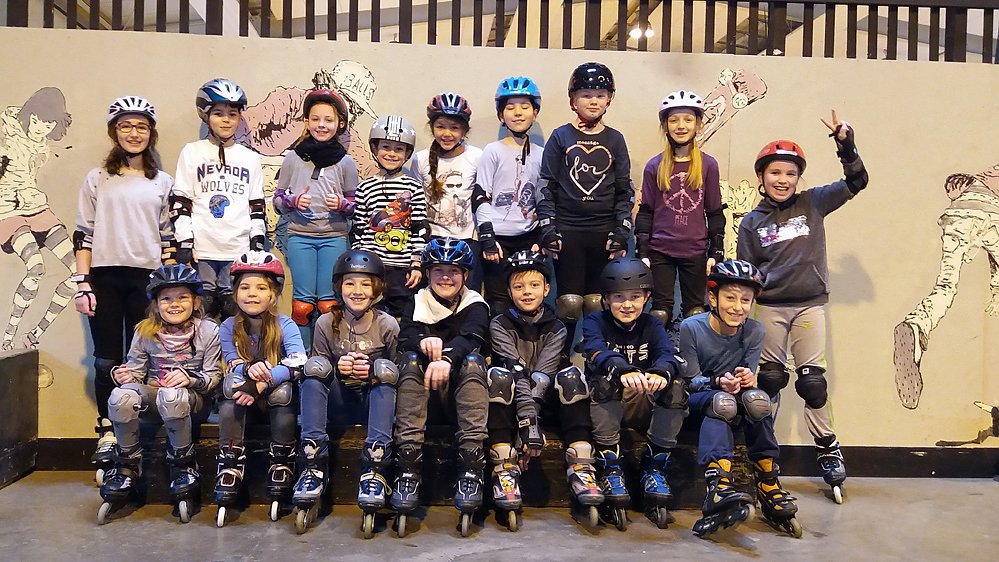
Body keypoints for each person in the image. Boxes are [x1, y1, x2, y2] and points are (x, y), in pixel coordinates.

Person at [736, 111, 869, 503]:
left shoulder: (814, 202)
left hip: (809, 305)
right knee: (770, 380)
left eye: (790, 174)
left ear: (799, 179)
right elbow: (746, 276)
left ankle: (827, 448)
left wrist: (845, 145)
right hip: (770, 307)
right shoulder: (751, 222)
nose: (783, 180)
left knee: (812, 382)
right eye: (775, 172)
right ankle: (764, 454)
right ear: (761, 177)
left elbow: (857, 181)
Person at [73, 96, 174, 484]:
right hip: (105, 277)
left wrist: (168, 287)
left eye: (141, 127)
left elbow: (168, 238)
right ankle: (107, 430)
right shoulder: (98, 178)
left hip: (146, 280)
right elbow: (83, 234)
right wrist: (83, 283)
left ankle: (138, 431)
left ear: (151, 133)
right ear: (114, 132)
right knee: (106, 360)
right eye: (126, 126)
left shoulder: (162, 182)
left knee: (144, 360)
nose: (134, 133)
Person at [681, 260, 799, 538]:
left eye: (745, 300)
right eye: (730, 298)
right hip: (699, 401)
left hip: (733, 398)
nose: (737, 307)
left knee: (759, 400)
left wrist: (746, 378)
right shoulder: (691, 327)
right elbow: (689, 382)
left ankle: (768, 482)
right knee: (722, 402)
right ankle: (718, 488)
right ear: (713, 298)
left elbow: (749, 376)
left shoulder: (755, 331)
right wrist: (717, 382)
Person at [96, 265, 221, 525]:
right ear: (156, 304)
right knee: (121, 396)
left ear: (196, 301)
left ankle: (183, 465)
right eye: (166, 299)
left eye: (182, 297)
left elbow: (213, 378)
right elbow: (136, 371)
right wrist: (124, 375)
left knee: (172, 396)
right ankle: (127, 465)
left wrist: (190, 379)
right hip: (156, 397)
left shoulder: (208, 331)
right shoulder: (145, 330)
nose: (174, 304)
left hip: (192, 400)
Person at [485, 250, 599, 531]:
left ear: (547, 289)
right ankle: (504, 466)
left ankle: (581, 465)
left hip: (543, 401)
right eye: (519, 286)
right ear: (509, 291)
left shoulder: (557, 327)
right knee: (499, 377)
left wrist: (532, 425)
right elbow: (517, 372)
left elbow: (542, 377)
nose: (527, 292)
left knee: (572, 377)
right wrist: (527, 423)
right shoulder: (499, 324)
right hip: (512, 402)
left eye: (534, 285)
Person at [293, 250, 400, 536]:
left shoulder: (387, 324)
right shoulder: (326, 322)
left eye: (365, 284)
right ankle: (313, 462)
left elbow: (398, 374)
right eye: (350, 283)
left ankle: (375, 465)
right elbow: (317, 374)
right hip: (338, 402)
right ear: (339, 287)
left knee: (386, 370)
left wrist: (372, 370)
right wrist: (337, 369)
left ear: (376, 289)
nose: (357, 291)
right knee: (315, 366)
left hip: (372, 404)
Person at [391, 237, 490, 537]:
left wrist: (446, 358)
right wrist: (422, 341)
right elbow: (405, 336)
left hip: (461, 399)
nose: (446, 277)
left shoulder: (476, 304)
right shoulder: (417, 301)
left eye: (454, 271)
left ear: (465, 275)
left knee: (473, 361)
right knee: (410, 360)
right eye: (438, 270)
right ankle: (408, 469)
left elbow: (473, 336)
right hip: (421, 398)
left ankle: (471, 469)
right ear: (428, 273)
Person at [536, 62, 635, 361]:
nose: (593, 101)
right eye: (586, 95)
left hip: (603, 232)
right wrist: (547, 227)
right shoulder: (560, 137)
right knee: (568, 302)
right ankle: (560, 361)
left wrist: (622, 229)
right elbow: (546, 185)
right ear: (573, 100)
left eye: (600, 95)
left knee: (596, 303)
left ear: (609, 99)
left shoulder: (615, 139)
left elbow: (624, 189)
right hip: (568, 230)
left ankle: (597, 360)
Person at [580, 257, 685, 530]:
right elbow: (595, 350)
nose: (627, 305)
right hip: (606, 407)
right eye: (619, 297)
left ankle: (655, 468)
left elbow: (668, 355)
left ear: (647, 297)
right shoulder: (595, 321)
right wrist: (620, 369)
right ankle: (610, 467)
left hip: (642, 403)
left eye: (635, 297)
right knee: (605, 382)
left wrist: (661, 372)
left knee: (675, 387)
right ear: (606, 299)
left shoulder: (652, 325)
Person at [214, 251, 307, 527]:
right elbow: (232, 363)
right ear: (234, 293)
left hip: (274, 401)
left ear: (273, 294)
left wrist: (263, 381)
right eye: (245, 287)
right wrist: (248, 371)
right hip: (243, 399)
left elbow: (298, 361)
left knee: (282, 391)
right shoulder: (228, 326)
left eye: (261, 288)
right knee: (230, 386)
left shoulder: (285, 324)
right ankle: (230, 461)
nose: (252, 294)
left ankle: (282, 460)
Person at [170, 78, 266, 319]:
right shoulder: (192, 152)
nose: (226, 120)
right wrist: (184, 242)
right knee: (203, 310)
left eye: (232, 114)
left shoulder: (249, 158)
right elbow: (181, 202)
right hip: (203, 248)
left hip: (237, 247)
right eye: (218, 114)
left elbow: (256, 205)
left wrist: (256, 242)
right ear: (205, 115)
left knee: (235, 312)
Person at [272, 89, 358, 347]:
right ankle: (301, 355)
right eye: (316, 119)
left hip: (334, 237)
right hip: (300, 236)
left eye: (328, 120)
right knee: (302, 306)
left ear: (339, 124)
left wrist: (343, 205)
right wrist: (292, 201)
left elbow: (356, 205)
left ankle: (325, 355)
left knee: (329, 304)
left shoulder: (345, 162)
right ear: (306, 121)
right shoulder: (293, 158)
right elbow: (277, 200)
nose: (322, 125)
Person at [636, 90, 724, 329]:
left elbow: (714, 212)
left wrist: (716, 251)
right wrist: (643, 251)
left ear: (698, 124)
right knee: (660, 313)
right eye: (674, 120)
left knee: (696, 313)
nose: (681, 126)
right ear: (665, 125)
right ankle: (660, 353)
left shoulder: (708, 165)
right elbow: (646, 211)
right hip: (660, 250)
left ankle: (690, 353)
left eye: (688, 120)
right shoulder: (655, 166)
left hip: (695, 250)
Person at [473, 77, 544, 311]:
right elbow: (481, 194)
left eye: (525, 107)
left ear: (535, 112)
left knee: (529, 298)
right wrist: (487, 235)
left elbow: (545, 197)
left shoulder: (542, 154)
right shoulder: (492, 151)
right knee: (498, 300)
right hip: (498, 238)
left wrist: (542, 236)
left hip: (529, 236)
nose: (518, 113)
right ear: (501, 115)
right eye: (510, 107)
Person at [352, 115, 428, 319]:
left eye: (399, 149)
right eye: (385, 147)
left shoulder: (413, 187)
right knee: (370, 314)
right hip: (372, 265)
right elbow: (358, 228)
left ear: (407, 153)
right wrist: (359, 264)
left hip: (402, 267)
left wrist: (416, 264)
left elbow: (419, 228)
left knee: (403, 315)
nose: (392, 154)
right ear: (374, 148)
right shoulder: (365, 187)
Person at [410, 93, 484, 291]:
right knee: (431, 294)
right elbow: (416, 202)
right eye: (441, 126)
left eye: (455, 128)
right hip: (431, 238)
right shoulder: (420, 159)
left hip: (467, 239)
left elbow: (483, 199)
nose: (447, 133)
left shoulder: (477, 156)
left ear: (464, 130)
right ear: (432, 127)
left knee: (467, 295)